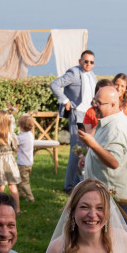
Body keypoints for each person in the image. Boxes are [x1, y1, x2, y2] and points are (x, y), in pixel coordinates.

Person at [49, 50, 96, 192]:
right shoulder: (74, 73)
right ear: (80, 60)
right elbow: (55, 85)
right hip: (77, 114)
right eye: (85, 61)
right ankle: (69, 186)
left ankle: (78, 182)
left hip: (89, 115)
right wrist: (65, 100)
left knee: (85, 149)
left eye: (91, 62)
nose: (88, 64)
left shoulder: (93, 76)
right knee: (76, 149)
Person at [80, 86, 127, 199]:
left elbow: (114, 162)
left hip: (112, 199)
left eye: (99, 103)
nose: (94, 105)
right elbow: (105, 151)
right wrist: (89, 158)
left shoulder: (116, 127)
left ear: (112, 105)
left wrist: (92, 145)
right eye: (94, 101)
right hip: (105, 195)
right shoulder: (110, 122)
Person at [16, 114, 36, 203]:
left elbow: (15, 143)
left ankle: (30, 197)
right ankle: (21, 194)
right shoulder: (30, 135)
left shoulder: (21, 137)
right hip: (29, 163)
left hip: (23, 163)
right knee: (19, 179)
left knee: (24, 181)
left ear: (21, 126)